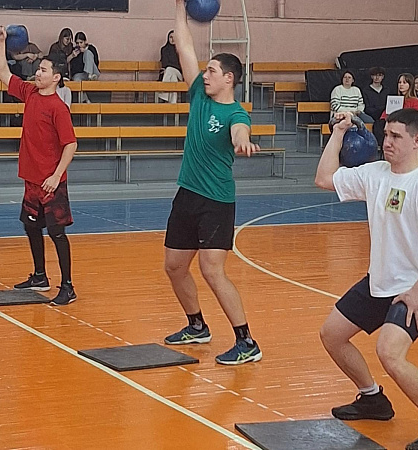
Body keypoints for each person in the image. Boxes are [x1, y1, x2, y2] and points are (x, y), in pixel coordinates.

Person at [315, 109, 418, 450]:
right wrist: (338, 133)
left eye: (396, 136)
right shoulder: (375, 174)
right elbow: (324, 179)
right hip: (380, 281)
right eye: (386, 135)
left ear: (417, 141)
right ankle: (372, 399)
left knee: (390, 353)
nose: (387, 142)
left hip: (417, 289)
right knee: (332, 335)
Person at [162, 0, 262, 366]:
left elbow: (240, 130)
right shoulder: (199, 96)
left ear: (228, 79)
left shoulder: (235, 112)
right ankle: (197, 325)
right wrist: (179, 7)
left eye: (212, 71)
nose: (205, 75)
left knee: (211, 270)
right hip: (187, 194)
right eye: (205, 70)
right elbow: (184, 46)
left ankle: (246, 341)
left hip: (216, 201)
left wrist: (242, 141)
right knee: (174, 266)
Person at [0, 25, 79, 306]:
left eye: (43, 70)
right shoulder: (30, 93)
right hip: (31, 180)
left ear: (55, 77)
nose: (38, 73)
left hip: (51, 182)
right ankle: (40, 276)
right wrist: (1, 42)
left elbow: (71, 145)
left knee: (57, 232)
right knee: (30, 226)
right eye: (38, 69)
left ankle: (67, 286)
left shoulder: (58, 107)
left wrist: (56, 176)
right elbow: (2, 73)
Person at [158, 30, 183, 103]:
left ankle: (164, 93)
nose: (172, 39)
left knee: (169, 69)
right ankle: (173, 103)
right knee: (173, 78)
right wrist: (174, 65)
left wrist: (172, 65)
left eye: (175, 37)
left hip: (180, 74)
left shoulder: (181, 50)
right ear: (168, 38)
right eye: (171, 37)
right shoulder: (164, 49)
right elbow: (165, 63)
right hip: (170, 74)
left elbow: (180, 65)